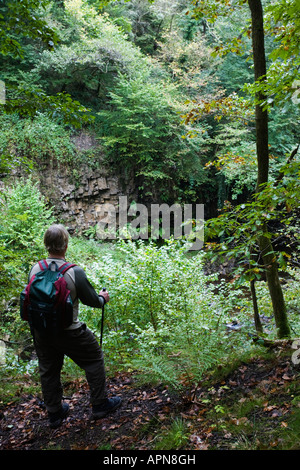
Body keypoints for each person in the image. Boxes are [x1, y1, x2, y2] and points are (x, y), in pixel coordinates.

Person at [28, 224, 121, 429]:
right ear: (66, 245)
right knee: (94, 360)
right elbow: (93, 301)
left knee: (49, 371)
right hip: (71, 332)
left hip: (42, 332)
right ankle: (100, 404)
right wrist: (103, 298)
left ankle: (54, 413)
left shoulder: (35, 269)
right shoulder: (74, 272)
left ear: (46, 244)